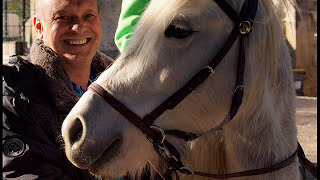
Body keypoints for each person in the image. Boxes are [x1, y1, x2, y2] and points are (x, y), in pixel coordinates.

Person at [2, 0, 114, 179]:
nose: (78, 27)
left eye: (88, 16)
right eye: (62, 17)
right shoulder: (16, 99)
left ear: (100, 22)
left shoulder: (127, 90)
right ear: (39, 27)